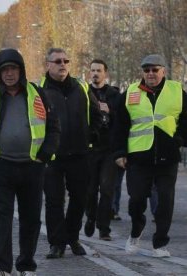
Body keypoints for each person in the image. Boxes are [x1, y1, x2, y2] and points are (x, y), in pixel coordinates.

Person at [0, 48, 60, 276]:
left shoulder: (38, 93)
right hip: (1, 167)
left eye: (13, 68)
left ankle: (27, 266)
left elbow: (53, 127)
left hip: (32, 166)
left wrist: (44, 155)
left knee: (31, 219)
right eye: (4, 70)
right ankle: (1, 267)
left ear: (21, 70)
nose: (9, 74)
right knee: (2, 218)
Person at [114, 54, 187, 258]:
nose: (151, 74)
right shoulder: (130, 93)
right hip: (138, 157)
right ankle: (136, 232)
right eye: (147, 70)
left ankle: (160, 243)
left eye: (155, 70)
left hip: (167, 158)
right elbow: (119, 125)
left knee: (165, 202)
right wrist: (120, 153)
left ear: (163, 70)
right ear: (142, 73)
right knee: (136, 200)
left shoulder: (176, 91)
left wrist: (179, 140)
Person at [40, 48, 102, 258]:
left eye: (66, 60)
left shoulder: (82, 87)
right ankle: (57, 243)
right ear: (47, 65)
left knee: (80, 198)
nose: (62, 64)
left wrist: (91, 135)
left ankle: (72, 237)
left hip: (79, 153)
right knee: (54, 200)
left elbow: (96, 115)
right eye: (57, 61)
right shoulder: (39, 90)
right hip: (52, 155)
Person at [84, 59, 120, 241]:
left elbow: (122, 119)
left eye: (99, 70)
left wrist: (110, 110)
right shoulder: (84, 92)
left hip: (109, 149)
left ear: (105, 73)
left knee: (107, 189)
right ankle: (91, 217)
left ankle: (104, 228)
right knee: (90, 190)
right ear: (89, 73)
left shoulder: (114, 94)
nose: (96, 73)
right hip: (90, 149)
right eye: (93, 70)